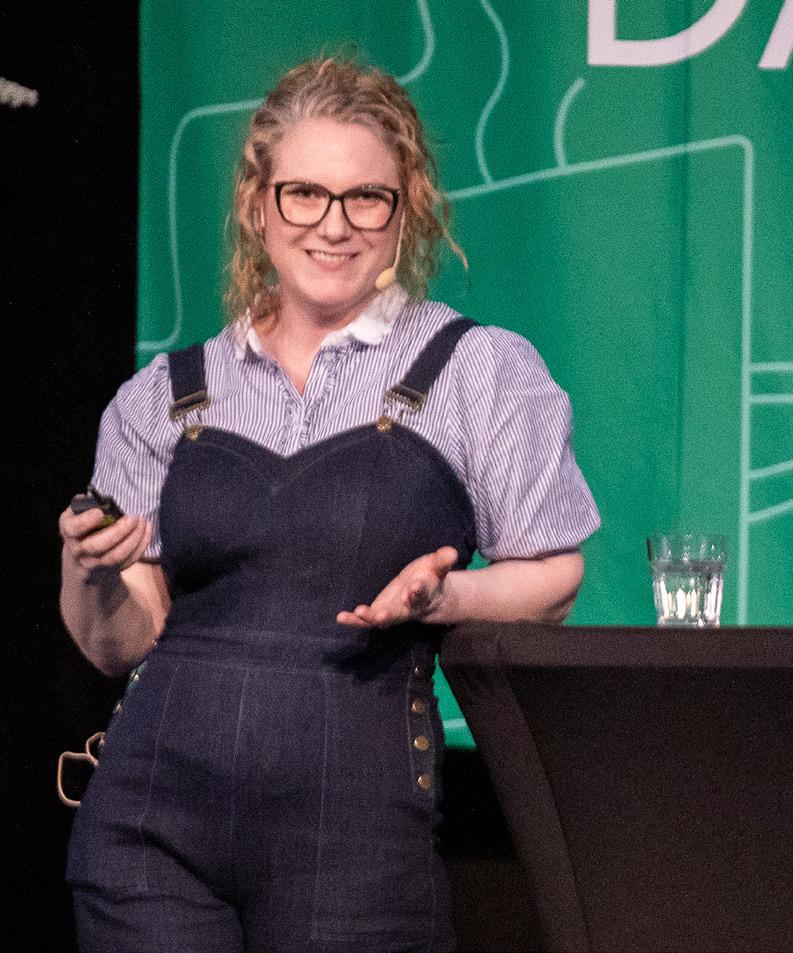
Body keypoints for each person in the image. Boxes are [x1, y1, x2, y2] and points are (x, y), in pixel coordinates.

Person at [58, 56, 600, 953]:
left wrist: (446, 596)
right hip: (151, 832)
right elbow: (118, 642)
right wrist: (92, 572)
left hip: (359, 841)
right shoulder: (162, 396)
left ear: (405, 211)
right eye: (305, 194)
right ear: (257, 205)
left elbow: (556, 577)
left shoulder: (477, 371)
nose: (333, 225)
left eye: (366, 198)